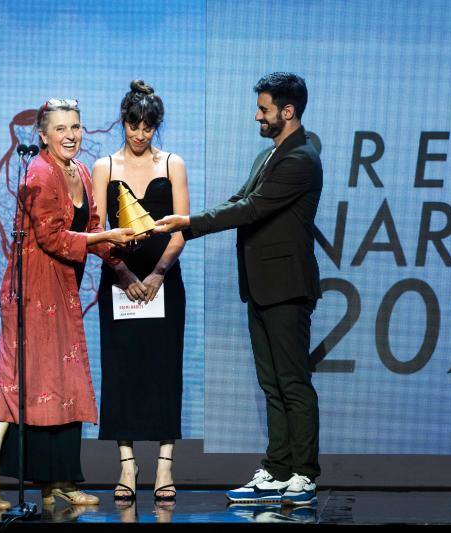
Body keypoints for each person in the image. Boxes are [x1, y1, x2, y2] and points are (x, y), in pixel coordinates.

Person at [156, 72, 322, 506]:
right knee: (272, 384)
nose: (257, 115)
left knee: (293, 383)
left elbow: (251, 209)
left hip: (287, 287)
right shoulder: (268, 157)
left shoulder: (301, 158)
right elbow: (237, 200)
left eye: (264, 109)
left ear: (288, 112)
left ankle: (303, 474)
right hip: (262, 287)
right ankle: (278, 468)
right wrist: (185, 225)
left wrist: (188, 224)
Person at [0, 98, 136, 510]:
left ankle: (58, 478)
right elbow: (53, 238)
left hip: (62, 287)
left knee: (65, 379)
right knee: (17, 377)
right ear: (43, 136)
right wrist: (105, 240)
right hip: (32, 288)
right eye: (61, 129)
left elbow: (92, 227)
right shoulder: (39, 174)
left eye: (76, 127)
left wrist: (122, 265)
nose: (72, 135)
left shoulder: (77, 171)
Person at [92, 80, 190, 503]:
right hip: (119, 283)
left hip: (164, 282)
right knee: (123, 372)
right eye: (133, 124)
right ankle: (127, 467)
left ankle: (165, 465)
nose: (139, 133)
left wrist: (156, 276)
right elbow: (96, 231)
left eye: (148, 126)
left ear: (157, 126)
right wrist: (126, 276)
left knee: (164, 370)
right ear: (123, 121)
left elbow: (182, 227)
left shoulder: (173, 164)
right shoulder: (104, 167)